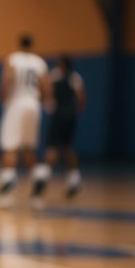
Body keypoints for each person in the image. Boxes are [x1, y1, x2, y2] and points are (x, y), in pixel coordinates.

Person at [0, 34, 51, 206]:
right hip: (33, 104)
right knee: (29, 147)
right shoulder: (39, 62)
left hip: (16, 102)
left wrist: (4, 97)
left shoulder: (12, 59)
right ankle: (37, 179)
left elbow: (7, 80)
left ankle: (8, 182)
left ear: (18, 44)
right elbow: (46, 87)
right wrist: (40, 100)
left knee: (10, 146)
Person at [42, 55, 86, 199]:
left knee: (52, 147)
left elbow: (47, 93)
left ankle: (42, 180)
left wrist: (50, 106)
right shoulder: (75, 78)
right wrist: (74, 110)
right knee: (68, 146)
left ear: (60, 65)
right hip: (70, 115)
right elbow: (81, 99)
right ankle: (75, 179)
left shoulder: (54, 76)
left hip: (59, 114)